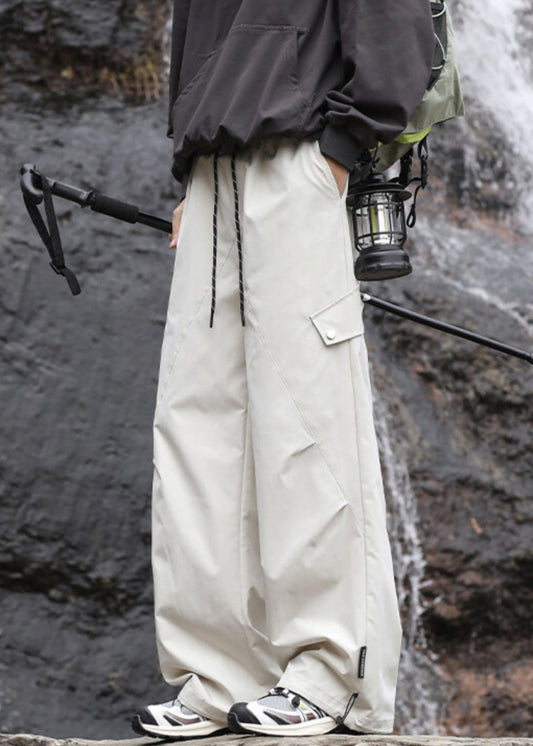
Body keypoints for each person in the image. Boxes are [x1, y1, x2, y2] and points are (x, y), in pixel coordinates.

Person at [132, 0, 435, 739]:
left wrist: (342, 149)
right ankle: (217, 674)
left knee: (307, 422)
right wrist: (189, 169)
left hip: (300, 159)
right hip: (212, 172)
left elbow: (396, 31)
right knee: (196, 432)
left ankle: (332, 675)